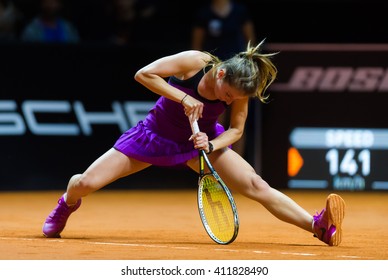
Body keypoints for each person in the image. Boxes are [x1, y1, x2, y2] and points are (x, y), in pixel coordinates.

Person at [42, 40, 346, 246]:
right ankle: (65, 205)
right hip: (154, 135)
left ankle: (316, 226)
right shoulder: (194, 62)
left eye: (234, 99)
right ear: (221, 73)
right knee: (83, 183)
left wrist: (211, 145)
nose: (229, 101)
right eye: (228, 95)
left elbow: (236, 130)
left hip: (198, 141)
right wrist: (184, 97)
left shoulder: (239, 92)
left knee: (256, 185)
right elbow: (143, 74)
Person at [191, 0, 257, 157]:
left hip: (238, 77)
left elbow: (251, 41)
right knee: (216, 122)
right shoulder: (204, 14)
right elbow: (196, 44)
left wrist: (246, 69)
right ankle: (215, 160)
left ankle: (237, 161)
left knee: (238, 125)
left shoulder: (240, 11)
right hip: (218, 79)